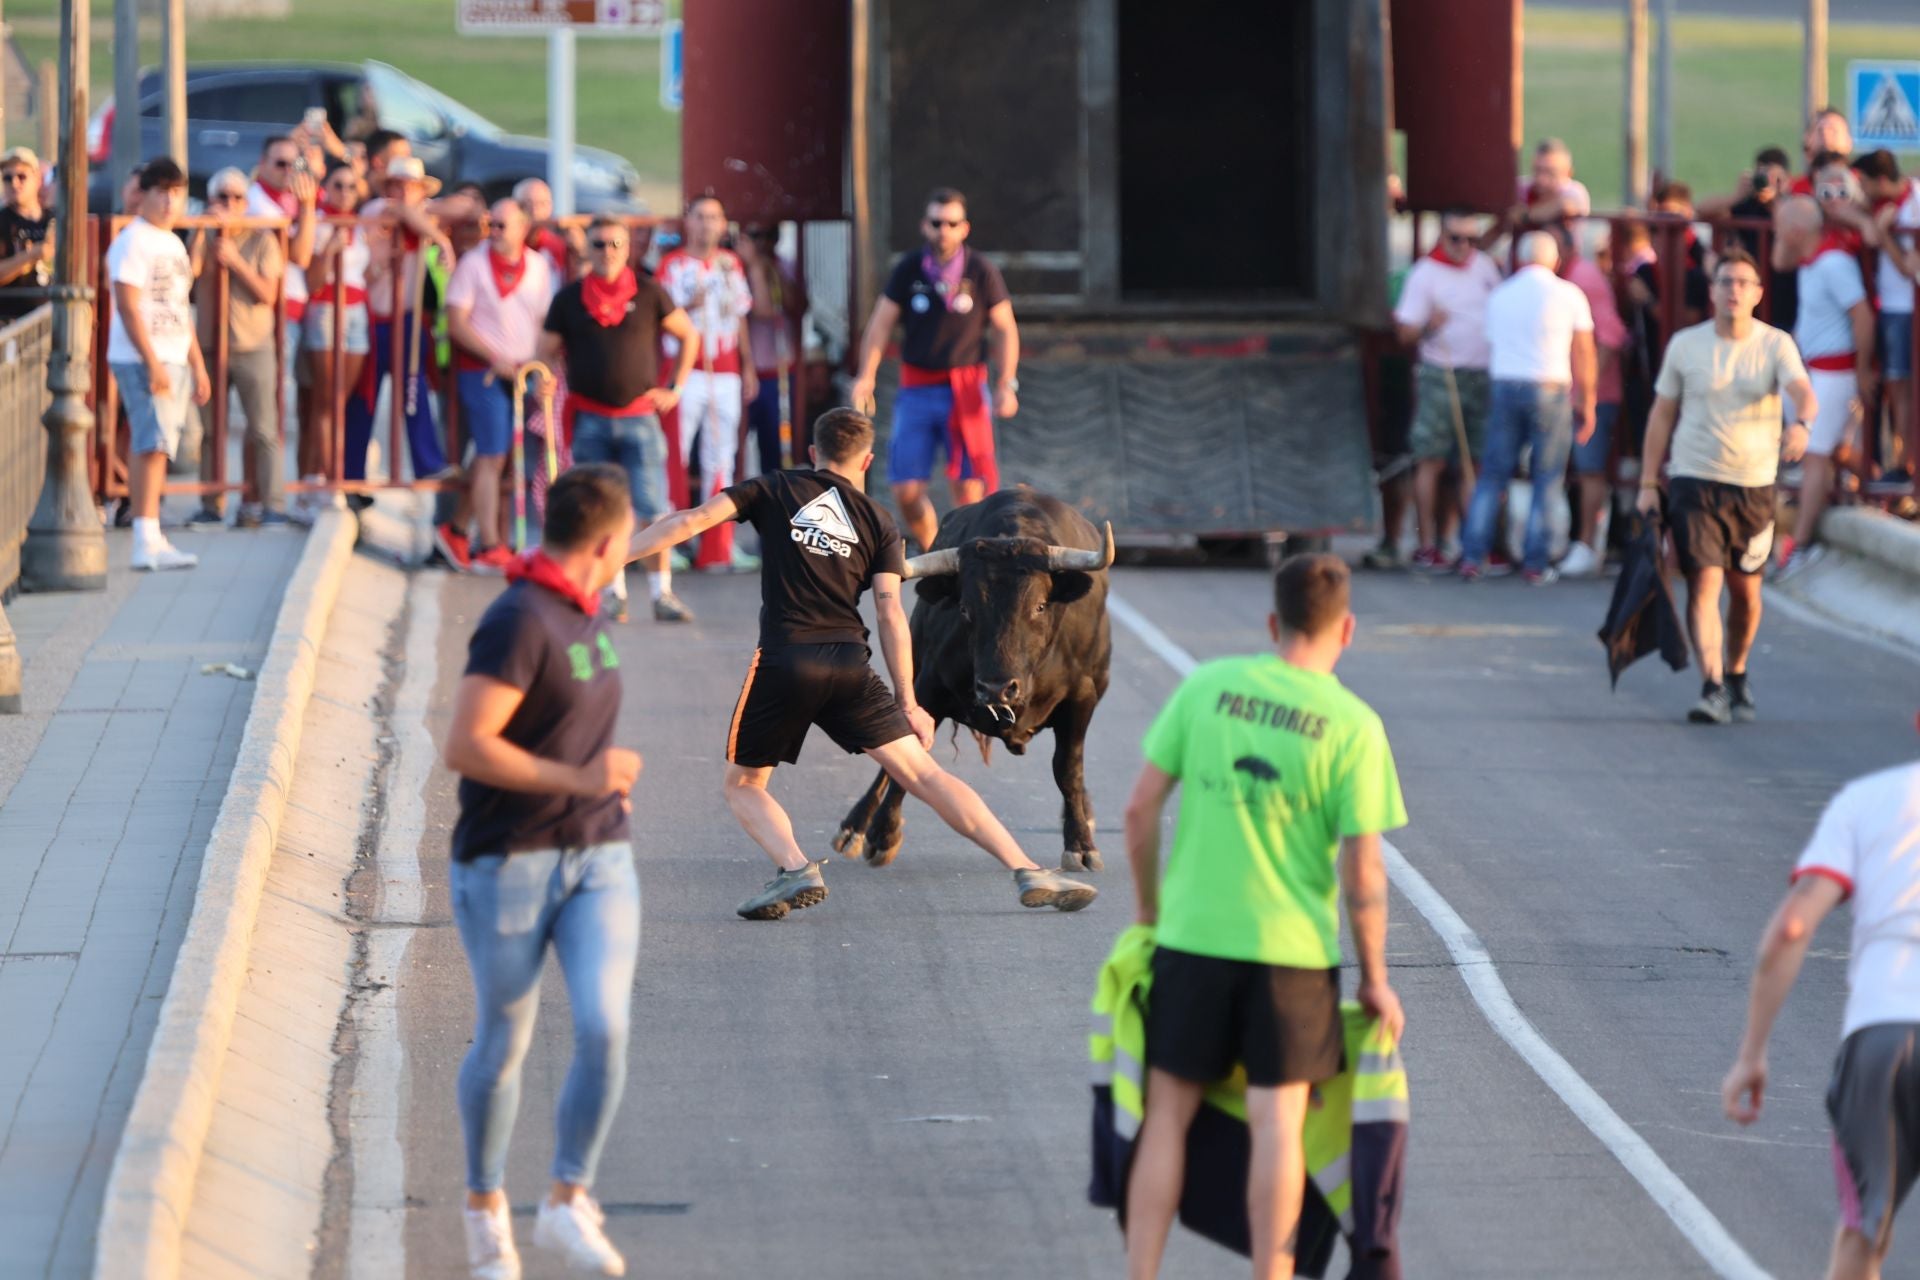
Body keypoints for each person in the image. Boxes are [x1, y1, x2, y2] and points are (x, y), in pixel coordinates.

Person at [622, 407, 1098, 920]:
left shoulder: (774, 487)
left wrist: (610, 559)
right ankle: (1027, 868)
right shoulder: (879, 521)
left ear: (813, 452)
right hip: (850, 666)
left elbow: (690, 521)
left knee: (743, 785)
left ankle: (795, 868)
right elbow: (891, 613)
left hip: (785, 662)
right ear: (867, 460)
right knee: (925, 776)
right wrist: (909, 702)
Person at [1120, 553, 1406, 1280]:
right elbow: (1363, 874)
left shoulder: (1209, 687)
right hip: (1292, 958)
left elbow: (1139, 810)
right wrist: (1375, 979)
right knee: (1278, 1125)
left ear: (1274, 624)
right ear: (1347, 630)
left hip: (1191, 941)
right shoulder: (1356, 725)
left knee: (1167, 1114)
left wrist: (1151, 911)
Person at [441, 463, 642, 1280]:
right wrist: (580, 778)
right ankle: (485, 1210)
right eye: (629, 538)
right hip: (508, 860)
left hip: (600, 853)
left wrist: (595, 787)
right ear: (605, 543)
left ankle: (566, 1199)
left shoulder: (586, 606)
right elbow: (466, 746)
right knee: (505, 1041)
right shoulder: (519, 620)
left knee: (604, 1026)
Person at [1722, 737, 1920, 1280]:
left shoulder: (1869, 801)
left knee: (1864, 1230)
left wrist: (1751, 1055)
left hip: (1883, 1037)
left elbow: (1792, 927)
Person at [1635, 249, 1815, 725]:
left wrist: (1802, 425)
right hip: (1694, 479)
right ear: (1712, 291)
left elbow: (1802, 391)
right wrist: (1649, 482)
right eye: (1725, 281)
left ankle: (1735, 672)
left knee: (1746, 594)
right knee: (1704, 583)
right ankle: (1712, 686)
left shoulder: (1775, 344)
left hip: (1753, 486)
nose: (1733, 290)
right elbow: (1661, 415)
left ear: (1757, 293)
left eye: (1742, 282)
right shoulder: (1685, 345)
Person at [538, 213, 701, 623]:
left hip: (639, 418)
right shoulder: (569, 298)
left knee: (653, 508)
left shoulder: (649, 292)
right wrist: (544, 380)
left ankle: (662, 593)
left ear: (628, 249)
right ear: (588, 249)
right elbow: (544, 353)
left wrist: (675, 388)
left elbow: (688, 335)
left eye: (615, 244)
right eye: (599, 244)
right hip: (590, 419)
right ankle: (613, 593)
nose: (607, 252)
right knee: (599, 510)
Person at [848, 186, 1019, 552]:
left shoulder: (981, 270)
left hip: (966, 388)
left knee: (969, 488)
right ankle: (933, 550)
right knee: (905, 488)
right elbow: (880, 325)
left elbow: (1005, 328)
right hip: (917, 389)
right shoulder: (909, 269)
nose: (944, 231)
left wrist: (1007, 383)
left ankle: (968, 560)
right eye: (937, 223)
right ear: (925, 226)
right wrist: (866, 375)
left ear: (964, 228)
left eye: (952, 223)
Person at [1457, 231, 1595, 585]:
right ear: (1555, 259)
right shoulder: (1568, 294)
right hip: (1550, 386)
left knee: (1493, 475)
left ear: (1519, 259)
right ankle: (1535, 562)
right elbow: (1584, 351)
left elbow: (1491, 341)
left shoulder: (1500, 295)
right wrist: (1588, 400)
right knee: (1546, 478)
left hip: (1505, 384)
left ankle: (1473, 556)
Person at [107, 159, 212, 571]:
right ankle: (144, 536)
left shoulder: (172, 243)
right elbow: (127, 306)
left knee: (160, 446)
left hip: (173, 353)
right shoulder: (133, 240)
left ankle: (151, 533)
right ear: (145, 194)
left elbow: (180, 308)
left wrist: (197, 364)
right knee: (149, 443)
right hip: (142, 357)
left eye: (177, 192)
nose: (170, 201)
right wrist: (151, 362)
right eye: (162, 191)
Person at [445, 200, 553, 573]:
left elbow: (543, 322)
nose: (494, 231)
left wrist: (541, 367)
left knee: (498, 455)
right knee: (492, 455)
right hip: (484, 371)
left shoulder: (538, 266)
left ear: (523, 228)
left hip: (522, 372)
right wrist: (494, 358)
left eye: (502, 225)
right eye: (491, 223)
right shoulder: (473, 264)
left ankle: (457, 528)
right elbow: (456, 322)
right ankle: (490, 543)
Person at [1392, 207, 1502, 571]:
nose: (1464, 246)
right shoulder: (1425, 273)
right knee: (1431, 459)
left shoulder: (1484, 267)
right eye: (1456, 239)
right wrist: (1429, 326)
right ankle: (1427, 544)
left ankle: (1471, 544)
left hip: (1481, 374)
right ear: (1442, 237)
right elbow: (1405, 332)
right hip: (1442, 372)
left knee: (1474, 461)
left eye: (1471, 239)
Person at [1775, 195, 1875, 579]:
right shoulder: (1811, 259)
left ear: (1797, 230)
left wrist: (1862, 370)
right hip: (1816, 371)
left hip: (1836, 372)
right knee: (1834, 450)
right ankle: (1878, 482)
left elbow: (1862, 315)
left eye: (1781, 227)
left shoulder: (1833, 263)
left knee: (1817, 453)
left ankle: (1800, 544)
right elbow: (1780, 260)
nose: (1775, 233)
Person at [657, 195, 758, 571]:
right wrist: (689, 306)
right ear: (688, 222)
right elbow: (660, 319)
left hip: (726, 371)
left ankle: (719, 546)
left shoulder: (731, 264)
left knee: (722, 457)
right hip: (686, 372)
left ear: (723, 223)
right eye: (700, 217)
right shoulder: (671, 265)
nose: (706, 224)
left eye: (713, 217)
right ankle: (668, 543)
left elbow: (741, 317)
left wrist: (747, 366)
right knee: (675, 454)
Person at [184, 167, 287, 530]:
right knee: (210, 431)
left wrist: (236, 262)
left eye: (237, 197)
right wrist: (201, 231)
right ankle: (211, 505)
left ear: (246, 203)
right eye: (222, 197)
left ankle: (273, 505)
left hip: (252, 346)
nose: (229, 204)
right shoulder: (202, 234)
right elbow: (190, 276)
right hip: (210, 347)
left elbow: (268, 295)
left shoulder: (262, 239)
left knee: (263, 429)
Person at [348, 156, 454, 483]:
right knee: (364, 399)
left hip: (407, 319)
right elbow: (400, 212)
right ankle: (352, 475)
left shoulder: (423, 216)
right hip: (373, 318)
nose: (403, 191)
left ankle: (427, 464)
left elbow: (464, 206)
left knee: (415, 389)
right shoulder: (376, 210)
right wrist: (442, 240)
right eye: (397, 184)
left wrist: (434, 224)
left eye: (411, 186)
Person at [298, 159, 373, 523]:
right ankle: (328, 481)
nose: (345, 192)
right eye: (338, 185)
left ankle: (318, 476)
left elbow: (366, 271)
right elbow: (311, 280)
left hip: (357, 313)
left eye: (351, 186)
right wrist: (328, 250)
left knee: (339, 400)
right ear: (326, 189)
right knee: (326, 399)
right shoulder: (318, 222)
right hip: (326, 308)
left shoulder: (362, 224)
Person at [1559, 223, 1630, 577]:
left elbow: (1612, 335)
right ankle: (1578, 541)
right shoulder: (1565, 278)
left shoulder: (1583, 279)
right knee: (1572, 470)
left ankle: (1587, 544)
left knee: (1590, 469)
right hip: (1571, 393)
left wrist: (1586, 387)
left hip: (1592, 396)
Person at [1859, 150, 1920, 485]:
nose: (1862, 190)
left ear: (1881, 181)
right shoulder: (1889, 203)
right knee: (1897, 386)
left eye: (1865, 183)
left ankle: (1907, 463)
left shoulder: (1914, 204)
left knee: (1903, 386)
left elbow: (1911, 269)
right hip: (1893, 309)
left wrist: (1884, 237)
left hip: (1906, 309)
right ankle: (1903, 460)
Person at [739, 223, 807, 478]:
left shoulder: (785, 265)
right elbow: (761, 309)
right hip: (742, 373)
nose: (763, 243)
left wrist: (771, 271)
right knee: (732, 451)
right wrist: (755, 268)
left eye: (770, 236)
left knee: (776, 452)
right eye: (755, 236)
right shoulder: (734, 267)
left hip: (778, 374)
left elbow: (797, 305)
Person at [0, 146, 53, 322]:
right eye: (7, 178)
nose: (14, 183)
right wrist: (31, 255)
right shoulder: (2, 221)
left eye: (21, 176)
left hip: (52, 320)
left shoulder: (55, 220)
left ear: (37, 179)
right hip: (12, 323)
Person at [1508, 138, 1592, 230]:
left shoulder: (1575, 192)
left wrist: (1526, 216)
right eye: (1537, 170)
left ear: (1568, 173)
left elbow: (1565, 205)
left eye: (1551, 173)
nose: (1541, 179)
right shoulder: (1522, 186)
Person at [515, 177, 583, 291]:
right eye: (526, 204)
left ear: (550, 207)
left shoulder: (559, 246)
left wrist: (580, 253)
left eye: (542, 204)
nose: (534, 211)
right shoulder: (502, 245)